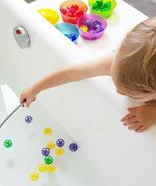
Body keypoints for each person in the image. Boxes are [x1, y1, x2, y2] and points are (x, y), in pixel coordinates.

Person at [20, 17, 156, 133]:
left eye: (131, 93)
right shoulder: (117, 62)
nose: (117, 91)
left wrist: (153, 113)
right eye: (114, 78)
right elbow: (70, 74)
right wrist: (36, 88)